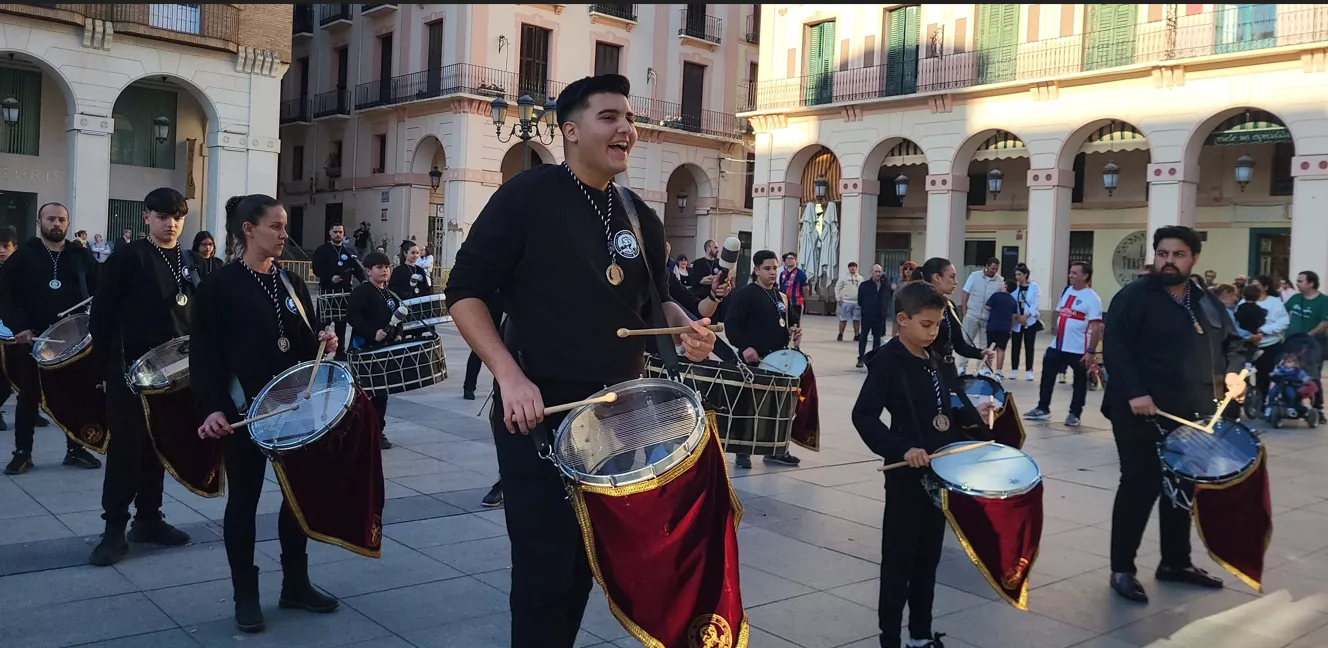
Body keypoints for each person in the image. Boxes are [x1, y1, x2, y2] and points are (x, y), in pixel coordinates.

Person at [444, 74, 716, 648]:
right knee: (543, 567)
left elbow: (657, 300)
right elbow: (464, 292)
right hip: (537, 413)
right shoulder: (527, 196)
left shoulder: (638, 214)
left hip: (618, 417)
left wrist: (684, 328)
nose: (626, 129)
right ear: (570, 130)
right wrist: (509, 376)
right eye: (609, 117)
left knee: (585, 562)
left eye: (629, 119)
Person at [191, 194, 341, 633]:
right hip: (244, 412)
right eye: (275, 226)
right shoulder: (219, 285)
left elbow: (305, 341)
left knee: (298, 496)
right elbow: (203, 355)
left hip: (292, 409)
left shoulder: (291, 283)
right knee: (244, 500)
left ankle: (295, 583)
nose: (283, 234)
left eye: (284, 225)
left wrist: (325, 342)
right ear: (248, 230)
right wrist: (211, 408)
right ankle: (246, 594)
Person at [1102, 225, 1244, 603]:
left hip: (1192, 413)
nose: (1168, 261)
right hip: (1140, 411)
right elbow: (1115, 348)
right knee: (1141, 484)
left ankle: (1175, 562)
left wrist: (1233, 374)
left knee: (1182, 485)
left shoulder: (1205, 299)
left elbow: (1234, 343)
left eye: (1178, 255)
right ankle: (1122, 568)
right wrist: (1135, 392)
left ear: (1194, 258)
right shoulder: (1134, 296)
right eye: (1162, 254)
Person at [851, 280, 996, 648]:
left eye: (937, 325)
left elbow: (942, 409)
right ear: (903, 320)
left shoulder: (932, 358)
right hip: (906, 476)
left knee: (928, 559)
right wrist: (902, 449)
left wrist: (973, 414)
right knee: (898, 562)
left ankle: (920, 634)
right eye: (926, 324)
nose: (933, 333)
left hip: (938, 473)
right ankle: (890, 638)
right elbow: (863, 415)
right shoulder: (888, 361)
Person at [88, 188, 196, 566]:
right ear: (146, 217)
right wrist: (105, 369)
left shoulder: (190, 259)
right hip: (130, 370)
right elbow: (101, 316)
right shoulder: (128, 257)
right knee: (127, 449)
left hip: (175, 373)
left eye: (177, 217)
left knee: (158, 446)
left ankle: (149, 518)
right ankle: (114, 529)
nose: (171, 224)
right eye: (163, 217)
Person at [0, 203, 102, 475]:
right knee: (28, 396)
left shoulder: (80, 255)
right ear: (39, 222)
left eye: (62, 219)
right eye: (51, 219)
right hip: (33, 337)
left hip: (74, 340)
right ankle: (22, 452)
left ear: (67, 224)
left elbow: (101, 287)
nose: (56, 224)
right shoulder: (24, 256)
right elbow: (5, 294)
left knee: (76, 394)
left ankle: (76, 448)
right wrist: (19, 326)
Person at [726, 249, 803, 469]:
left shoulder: (781, 297)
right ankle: (742, 452)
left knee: (778, 408)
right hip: (753, 361)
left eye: (775, 268)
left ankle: (776, 450)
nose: (772, 272)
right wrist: (744, 347)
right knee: (748, 407)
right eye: (767, 268)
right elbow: (732, 324)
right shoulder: (746, 294)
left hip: (778, 361)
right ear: (756, 270)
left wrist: (795, 331)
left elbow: (791, 322)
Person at [1023, 261, 1103, 427]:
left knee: (1079, 381)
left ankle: (1075, 413)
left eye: (1075, 273)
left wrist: (1091, 351)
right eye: (1070, 272)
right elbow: (1061, 314)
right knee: (1047, 374)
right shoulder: (1067, 291)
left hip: (1078, 348)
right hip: (1058, 345)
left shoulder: (1092, 298)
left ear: (1085, 276)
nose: (1070, 275)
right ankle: (1043, 408)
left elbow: (1096, 326)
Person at [348, 252, 400, 451]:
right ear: (368, 271)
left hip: (384, 349)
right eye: (379, 267)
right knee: (365, 393)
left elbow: (398, 316)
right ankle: (361, 431)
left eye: (386, 266)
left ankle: (378, 430)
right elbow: (352, 316)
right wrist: (372, 332)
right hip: (365, 349)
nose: (384, 270)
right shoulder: (362, 291)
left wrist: (398, 334)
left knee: (382, 393)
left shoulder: (389, 293)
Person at [911, 258, 995, 381]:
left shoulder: (949, 306)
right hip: (924, 371)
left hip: (947, 371)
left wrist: (980, 353)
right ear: (937, 277)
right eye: (952, 277)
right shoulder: (918, 306)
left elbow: (959, 344)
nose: (956, 282)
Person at [1285, 270, 1327, 414]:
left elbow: (1324, 323)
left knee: (1312, 375)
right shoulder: (1295, 298)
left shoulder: (1323, 301)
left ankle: (1317, 408)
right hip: (1294, 342)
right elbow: (1283, 312)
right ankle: (1295, 403)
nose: (1297, 284)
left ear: (1311, 283)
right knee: (1291, 372)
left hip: (1314, 343)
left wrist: (1308, 335)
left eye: (1300, 281)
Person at [1243, 277, 1289, 404]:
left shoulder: (1275, 302)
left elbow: (1283, 322)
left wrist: (1263, 330)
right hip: (1247, 344)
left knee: (1263, 375)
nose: (1254, 287)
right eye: (1252, 284)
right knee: (1243, 374)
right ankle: (1246, 400)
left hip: (1269, 344)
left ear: (1265, 287)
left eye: (1257, 285)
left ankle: (1261, 402)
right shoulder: (1244, 302)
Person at [958, 258, 1002, 375]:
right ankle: (962, 367)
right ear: (986, 266)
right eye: (992, 268)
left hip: (988, 318)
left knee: (985, 345)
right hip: (972, 314)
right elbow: (965, 293)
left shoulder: (1000, 281)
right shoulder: (974, 276)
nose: (994, 271)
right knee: (966, 341)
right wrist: (964, 311)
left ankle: (981, 368)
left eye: (996, 269)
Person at [1010, 264, 1041, 382]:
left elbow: (1035, 303)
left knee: (1029, 346)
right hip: (1017, 321)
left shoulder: (1034, 287)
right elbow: (1012, 302)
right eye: (1016, 275)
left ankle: (1029, 370)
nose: (1017, 277)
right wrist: (1018, 317)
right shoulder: (1015, 288)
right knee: (1015, 345)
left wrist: (1026, 316)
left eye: (1019, 274)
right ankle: (1014, 369)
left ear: (1025, 274)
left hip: (1029, 320)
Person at [857, 264, 889, 368]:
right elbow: (860, 300)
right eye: (876, 271)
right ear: (872, 272)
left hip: (879, 316)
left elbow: (887, 299)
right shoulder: (865, 285)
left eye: (880, 272)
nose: (878, 274)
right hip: (867, 315)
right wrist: (866, 308)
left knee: (877, 339)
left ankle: (874, 359)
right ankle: (861, 358)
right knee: (863, 337)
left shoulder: (885, 286)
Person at [985, 279, 1018, 379]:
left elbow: (987, 307)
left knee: (990, 348)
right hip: (1005, 327)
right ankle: (998, 371)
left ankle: (987, 369)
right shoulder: (1013, 300)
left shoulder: (996, 295)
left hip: (993, 325)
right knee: (1001, 349)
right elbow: (1014, 316)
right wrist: (1010, 327)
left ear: (1005, 286)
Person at [836, 261, 864, 343]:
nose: (852, 268)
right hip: (846, 301)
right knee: (843, 319)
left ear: (856, 268)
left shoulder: (860, 278)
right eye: (851, 266)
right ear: (848, 268)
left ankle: (856, 335)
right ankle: (840, 334)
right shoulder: (844, 277)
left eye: (854, 266)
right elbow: (837, 288)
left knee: (857, 319)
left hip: (857, 302)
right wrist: (838, 298)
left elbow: (863, 289)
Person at [778, 252, 808, 321]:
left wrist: (802, 298)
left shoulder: (800, 274)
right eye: (787, 258)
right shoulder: (783, 273)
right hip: (784, 303)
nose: (789, 260)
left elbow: (806, 289)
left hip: (796, 303)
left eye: (791, 258)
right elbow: (781, 287)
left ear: (796, 260)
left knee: (795, 323)